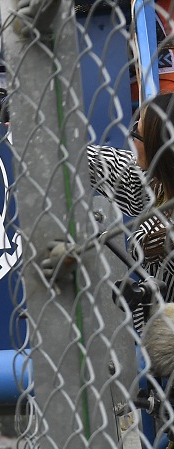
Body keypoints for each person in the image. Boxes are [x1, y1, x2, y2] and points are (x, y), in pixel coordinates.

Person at [81, 92, 174, 338]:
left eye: (137, 132)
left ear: (159, 143)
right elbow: (98, 163)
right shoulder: (154, 183)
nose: (131, 138)